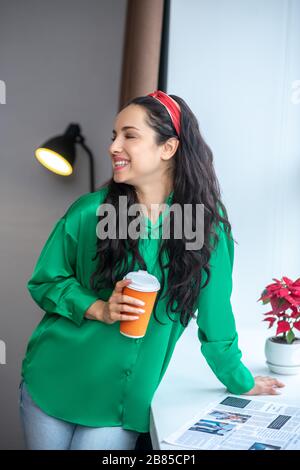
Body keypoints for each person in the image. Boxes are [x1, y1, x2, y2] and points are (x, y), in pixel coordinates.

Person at [19, 90, 285, 450]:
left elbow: (216, 319)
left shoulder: (206, 230)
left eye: (129, 135)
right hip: (52, 378)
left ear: (168, 148)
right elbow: (46, 280)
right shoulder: (89, 212)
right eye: (114, 136)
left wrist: (239, 380)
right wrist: (98, 307)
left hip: (121, 401)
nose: (114, 146)